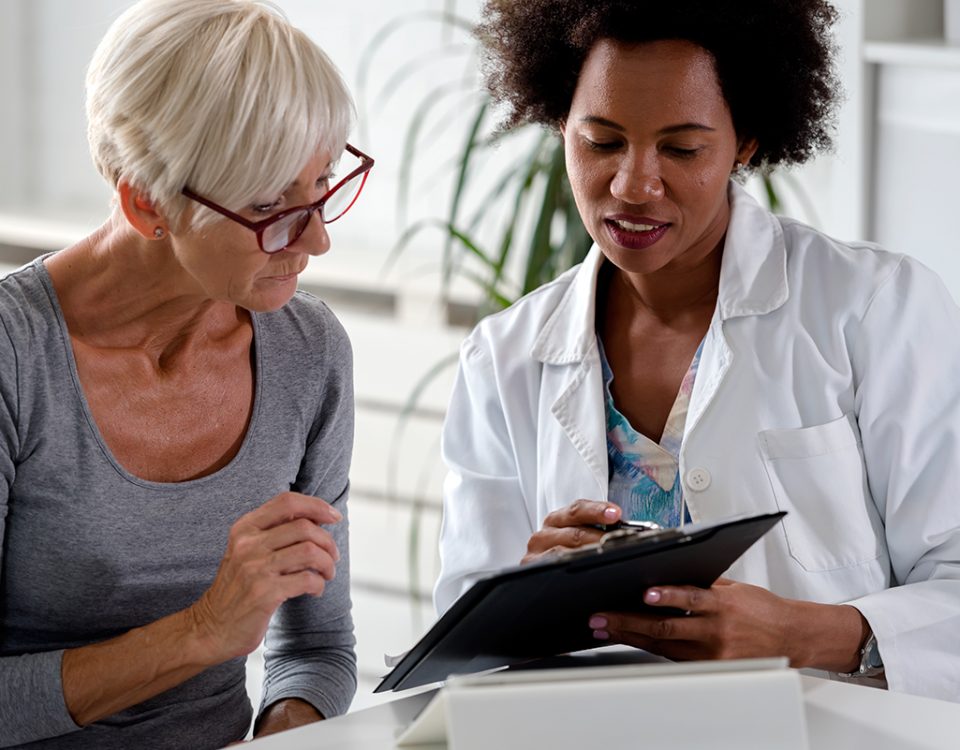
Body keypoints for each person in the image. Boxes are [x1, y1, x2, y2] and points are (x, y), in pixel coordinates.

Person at [435, 0, 960, 703]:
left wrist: (810, 635)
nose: (633, 185)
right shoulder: (503, 358)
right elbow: (461, 648)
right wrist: (522, 597)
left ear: (745, 141)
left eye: (681, 149)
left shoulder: (874, 308)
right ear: (560, 121)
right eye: (601, 141)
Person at [0, 1, 374, 746]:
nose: (319, 240)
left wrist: (288, 727)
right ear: (146, 202)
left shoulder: (309, 351)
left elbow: (315, 648)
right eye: (270, 206)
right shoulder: (16, 357)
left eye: (324, 184)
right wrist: (204, 632)